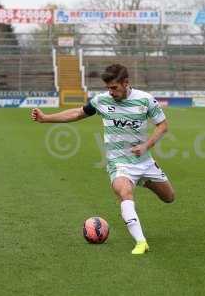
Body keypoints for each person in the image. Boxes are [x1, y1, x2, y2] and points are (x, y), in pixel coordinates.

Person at [31, 64, 175, 254]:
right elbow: (77, 113)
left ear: (126, 83)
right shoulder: (102, 101)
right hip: (119, 163)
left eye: (114, 87)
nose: (110, 92)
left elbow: (163, 126)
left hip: (144, 161)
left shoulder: (145, 100)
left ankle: (144, 180)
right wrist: (46, 118)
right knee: (124, 192)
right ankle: (141, 242)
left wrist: (146, 145)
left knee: (169, 197)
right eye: (108, 88)